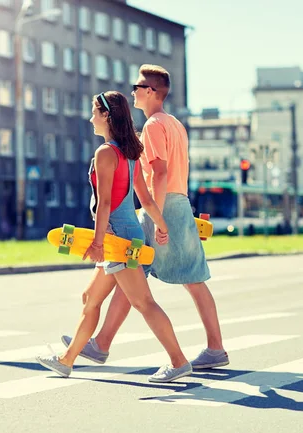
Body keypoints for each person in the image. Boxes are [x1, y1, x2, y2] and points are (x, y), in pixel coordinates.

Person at [62, 65, 229, 370]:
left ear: (151, 92)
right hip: (179, 202)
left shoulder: (152, 125)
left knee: (144, 279)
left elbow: (160, 172)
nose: (134, 92)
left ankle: (108, 345)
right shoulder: (175, 123)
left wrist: (156, 215)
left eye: (138, 87)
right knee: (165, 277)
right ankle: (102, 343)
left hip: (164, 207)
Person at [36, 91, 192, 383]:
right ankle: (67, 360)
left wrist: (97, 244)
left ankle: (179, 360)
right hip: (125, 235)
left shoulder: (106, 152)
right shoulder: (128, 151)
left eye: (94, 112)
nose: (90, 118)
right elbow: (143, 198)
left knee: (144, 302)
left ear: (106, 115)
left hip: (118, 241)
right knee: (90, 297)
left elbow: (106, 202)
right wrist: (161, 225)